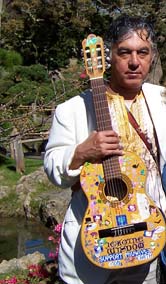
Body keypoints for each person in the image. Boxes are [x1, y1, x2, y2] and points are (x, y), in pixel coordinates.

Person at [44, 14, 166, 284]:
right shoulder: (73, 109)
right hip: (93, 243)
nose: (134, 61)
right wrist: (80, 153)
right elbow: (53, 168)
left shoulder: (162, 100)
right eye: (125, 52)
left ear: (151, 57)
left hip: (148, 239)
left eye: (142, 52)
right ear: (109, 56)